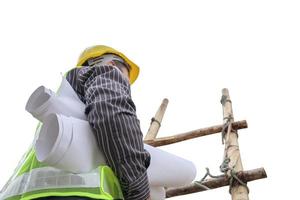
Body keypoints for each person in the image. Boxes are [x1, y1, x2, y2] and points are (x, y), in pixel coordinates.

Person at [0, 45, 151, 200]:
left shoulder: (60, 105)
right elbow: (113, 117)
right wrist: (139, 188)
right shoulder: (106, 73)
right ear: (112, 65)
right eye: (126, 78)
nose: (125, 85)